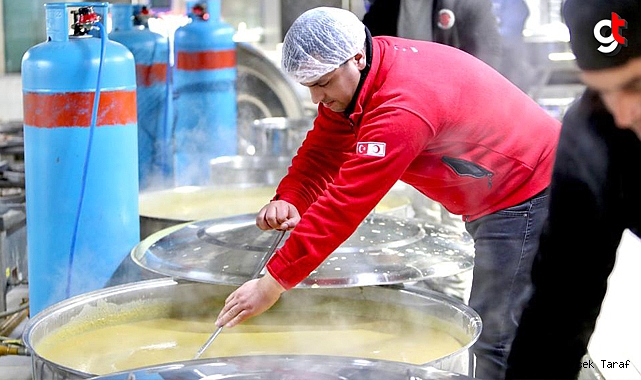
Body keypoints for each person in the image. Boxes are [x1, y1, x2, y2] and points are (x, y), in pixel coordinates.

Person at [215, 7, 560, 379]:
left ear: (357, 58)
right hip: (499, 193)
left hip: (530, 190)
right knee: (525, 318)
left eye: (323, 83)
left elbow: (346, 204)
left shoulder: (402, 105)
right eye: (309, 86)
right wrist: (290, 197)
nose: (317, 98)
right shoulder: (362, 75)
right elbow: (323, 150)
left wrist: (272, 283)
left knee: (496, 337)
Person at [505, 0, 641, 378]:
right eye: (604, 89)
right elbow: (561, 299)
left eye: (636, 85)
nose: (623, 114)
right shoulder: (595, 130)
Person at [362, 0, 502, 70]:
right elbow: (366, 41)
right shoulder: (385, 4)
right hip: (398, 87)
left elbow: (490, 48)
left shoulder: (467, 3)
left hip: (452, 87)